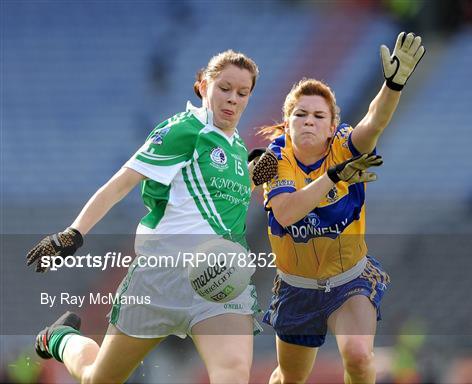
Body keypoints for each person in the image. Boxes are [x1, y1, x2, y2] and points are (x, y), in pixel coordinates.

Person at [26, 50, 269, 384]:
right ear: (202, 85)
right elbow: (120, 184)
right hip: (159, 278)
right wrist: (73, 233)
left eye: (242, 93)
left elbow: (217, 206)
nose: (232, 99)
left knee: (232, 375)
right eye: (224, 88)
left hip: (220, 282)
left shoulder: (239, 148)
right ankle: (60, 338)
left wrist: (253, 177)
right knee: (99, 379)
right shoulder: (183, 130)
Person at [260, 32, 425, 383]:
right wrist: (334, 178)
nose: (309, 121)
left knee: (359, 356)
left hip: (349, 280)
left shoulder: (343, 146)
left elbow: (372, 123)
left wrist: (393, 84)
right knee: (291, 377)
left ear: (332, 125)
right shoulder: (275, 159)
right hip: (297, 285)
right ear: (287, 124)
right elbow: (287, 213)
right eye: (300, 114)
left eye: (319, 116)